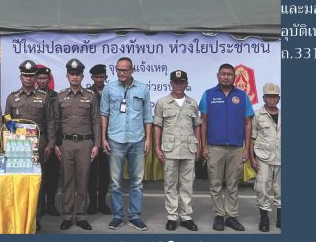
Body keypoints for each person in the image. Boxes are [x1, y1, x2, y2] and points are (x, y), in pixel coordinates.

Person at [100, 57, 153, 231]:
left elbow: (147, 116)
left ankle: (134, 216)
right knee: (115, 182)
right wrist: (103, 138)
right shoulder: (109, 88)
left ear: (132, 70)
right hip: (115, 140)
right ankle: (117, 216)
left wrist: (148, 139)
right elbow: (104, 114)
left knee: (137, 182)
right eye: (118, 70)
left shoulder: (143, 89)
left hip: (137, 140)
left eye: (125, 70)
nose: (121, 73)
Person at [199, 63, 253, 231]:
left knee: (232, 184)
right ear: (218, 76)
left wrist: (246, 148)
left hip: (236, 148)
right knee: (215, 183)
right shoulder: (208, 95)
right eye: (223, 74)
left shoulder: (242, 96)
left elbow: (248, 123)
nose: (226, 77)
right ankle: (218, 215)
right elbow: (203, 122)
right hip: (215, 147)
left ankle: (231, 216)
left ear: (234, 77)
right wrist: (204, 146)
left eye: (230, 74)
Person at [3, 60, 56, 225]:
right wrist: (11, 135)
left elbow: (51, 121)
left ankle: (35, 216)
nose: (28, 79)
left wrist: (51, 144)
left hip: (38, 143)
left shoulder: (43, 97)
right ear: (21, 77)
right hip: (17, 144)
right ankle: (18, 213)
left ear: (35, 78)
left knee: (37, 180)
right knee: (18, 178)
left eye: (31, 76)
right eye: (25, 76)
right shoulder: (12, 97)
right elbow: (7, 118)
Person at [153, 70, 202, 231]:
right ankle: (172, 217)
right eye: (175, 82)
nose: (178, 85)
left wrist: (198, 145)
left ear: (186, 84)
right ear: (171, 83)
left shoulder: (192, 103)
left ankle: (186, 217)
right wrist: (157, 147)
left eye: (182, 82)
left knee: (187, 185)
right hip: (170, 149)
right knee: (170, 184)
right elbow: (157, 126)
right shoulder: (162, 103)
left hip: (188, 148)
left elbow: (197, 125)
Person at [55, 59, 100, 230]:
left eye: (77, 74)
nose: (74, 77)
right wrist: (56, 144)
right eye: (72, 74)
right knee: (67, 180)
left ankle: (81, 215)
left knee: (83, 180)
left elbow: (96, 121)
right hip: (66, 143)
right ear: (67, 76)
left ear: (82, 76)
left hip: (85, 144)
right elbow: (56, 122)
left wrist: (96, 144)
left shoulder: (90, 96)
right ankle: (67, 215)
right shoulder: (60, 96)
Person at [249, 83, 281, 232]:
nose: (272, 99)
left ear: (279, 99)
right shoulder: (257, 115)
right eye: (269, 96)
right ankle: (264, 217)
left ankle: (280, 216)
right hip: (263, 157)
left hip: (281, 156)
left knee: (280, 188)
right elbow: (252, 138)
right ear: (263, 98)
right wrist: (252, 158)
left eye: (274, 97)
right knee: (262, 187)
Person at [85, 63, 111, 215]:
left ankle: (102, 202)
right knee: (91, 172)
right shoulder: (87, 93)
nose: (99, 80)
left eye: (102, 77)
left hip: (108, 137)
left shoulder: (111, 91)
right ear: (92, 78)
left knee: (105, 173)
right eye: (96, 77)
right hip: (92, 137)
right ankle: (92, 203)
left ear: (106, 77)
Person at [36, 64, 61, 216]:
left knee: (52, 174)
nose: (42, 81)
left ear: (49, 80)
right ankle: (41, 205)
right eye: (39, 78)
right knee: (39, 174)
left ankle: (51, 204)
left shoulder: (55, 96)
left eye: (45, 78)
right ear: (36, 80)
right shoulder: (33, 95)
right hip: (39, 139)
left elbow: (58, 119)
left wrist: (56, 142)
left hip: (54, 139)